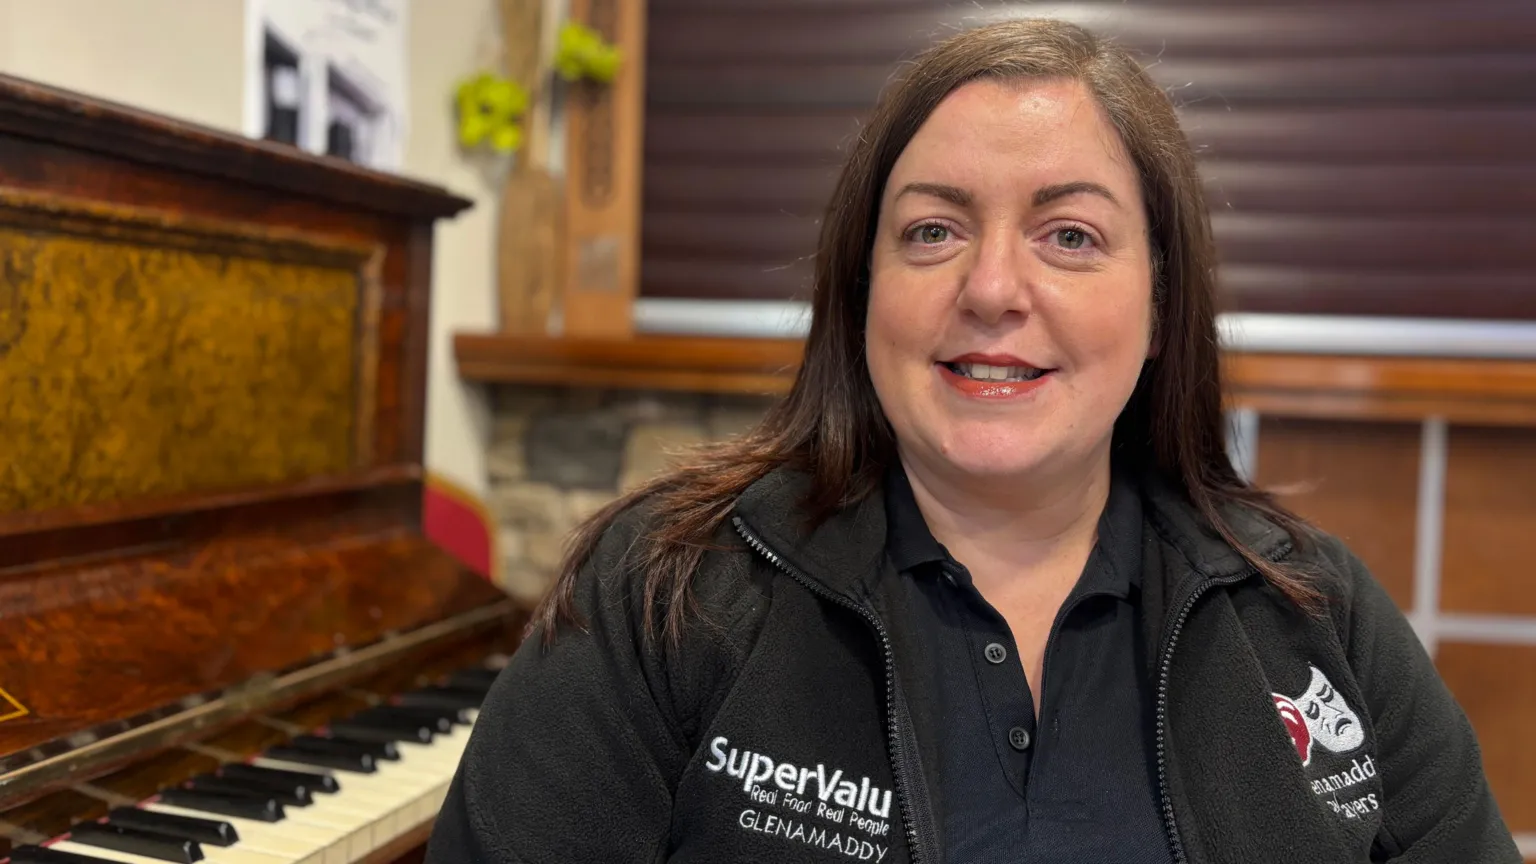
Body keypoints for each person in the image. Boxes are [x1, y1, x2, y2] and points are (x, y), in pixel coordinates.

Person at [425, 18, 1519, 864]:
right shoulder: (663, 591)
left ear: (1159, 305)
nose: (993, 289)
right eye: (933, 230)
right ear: (863, 291)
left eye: (1071, 235)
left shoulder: (1315, 615)